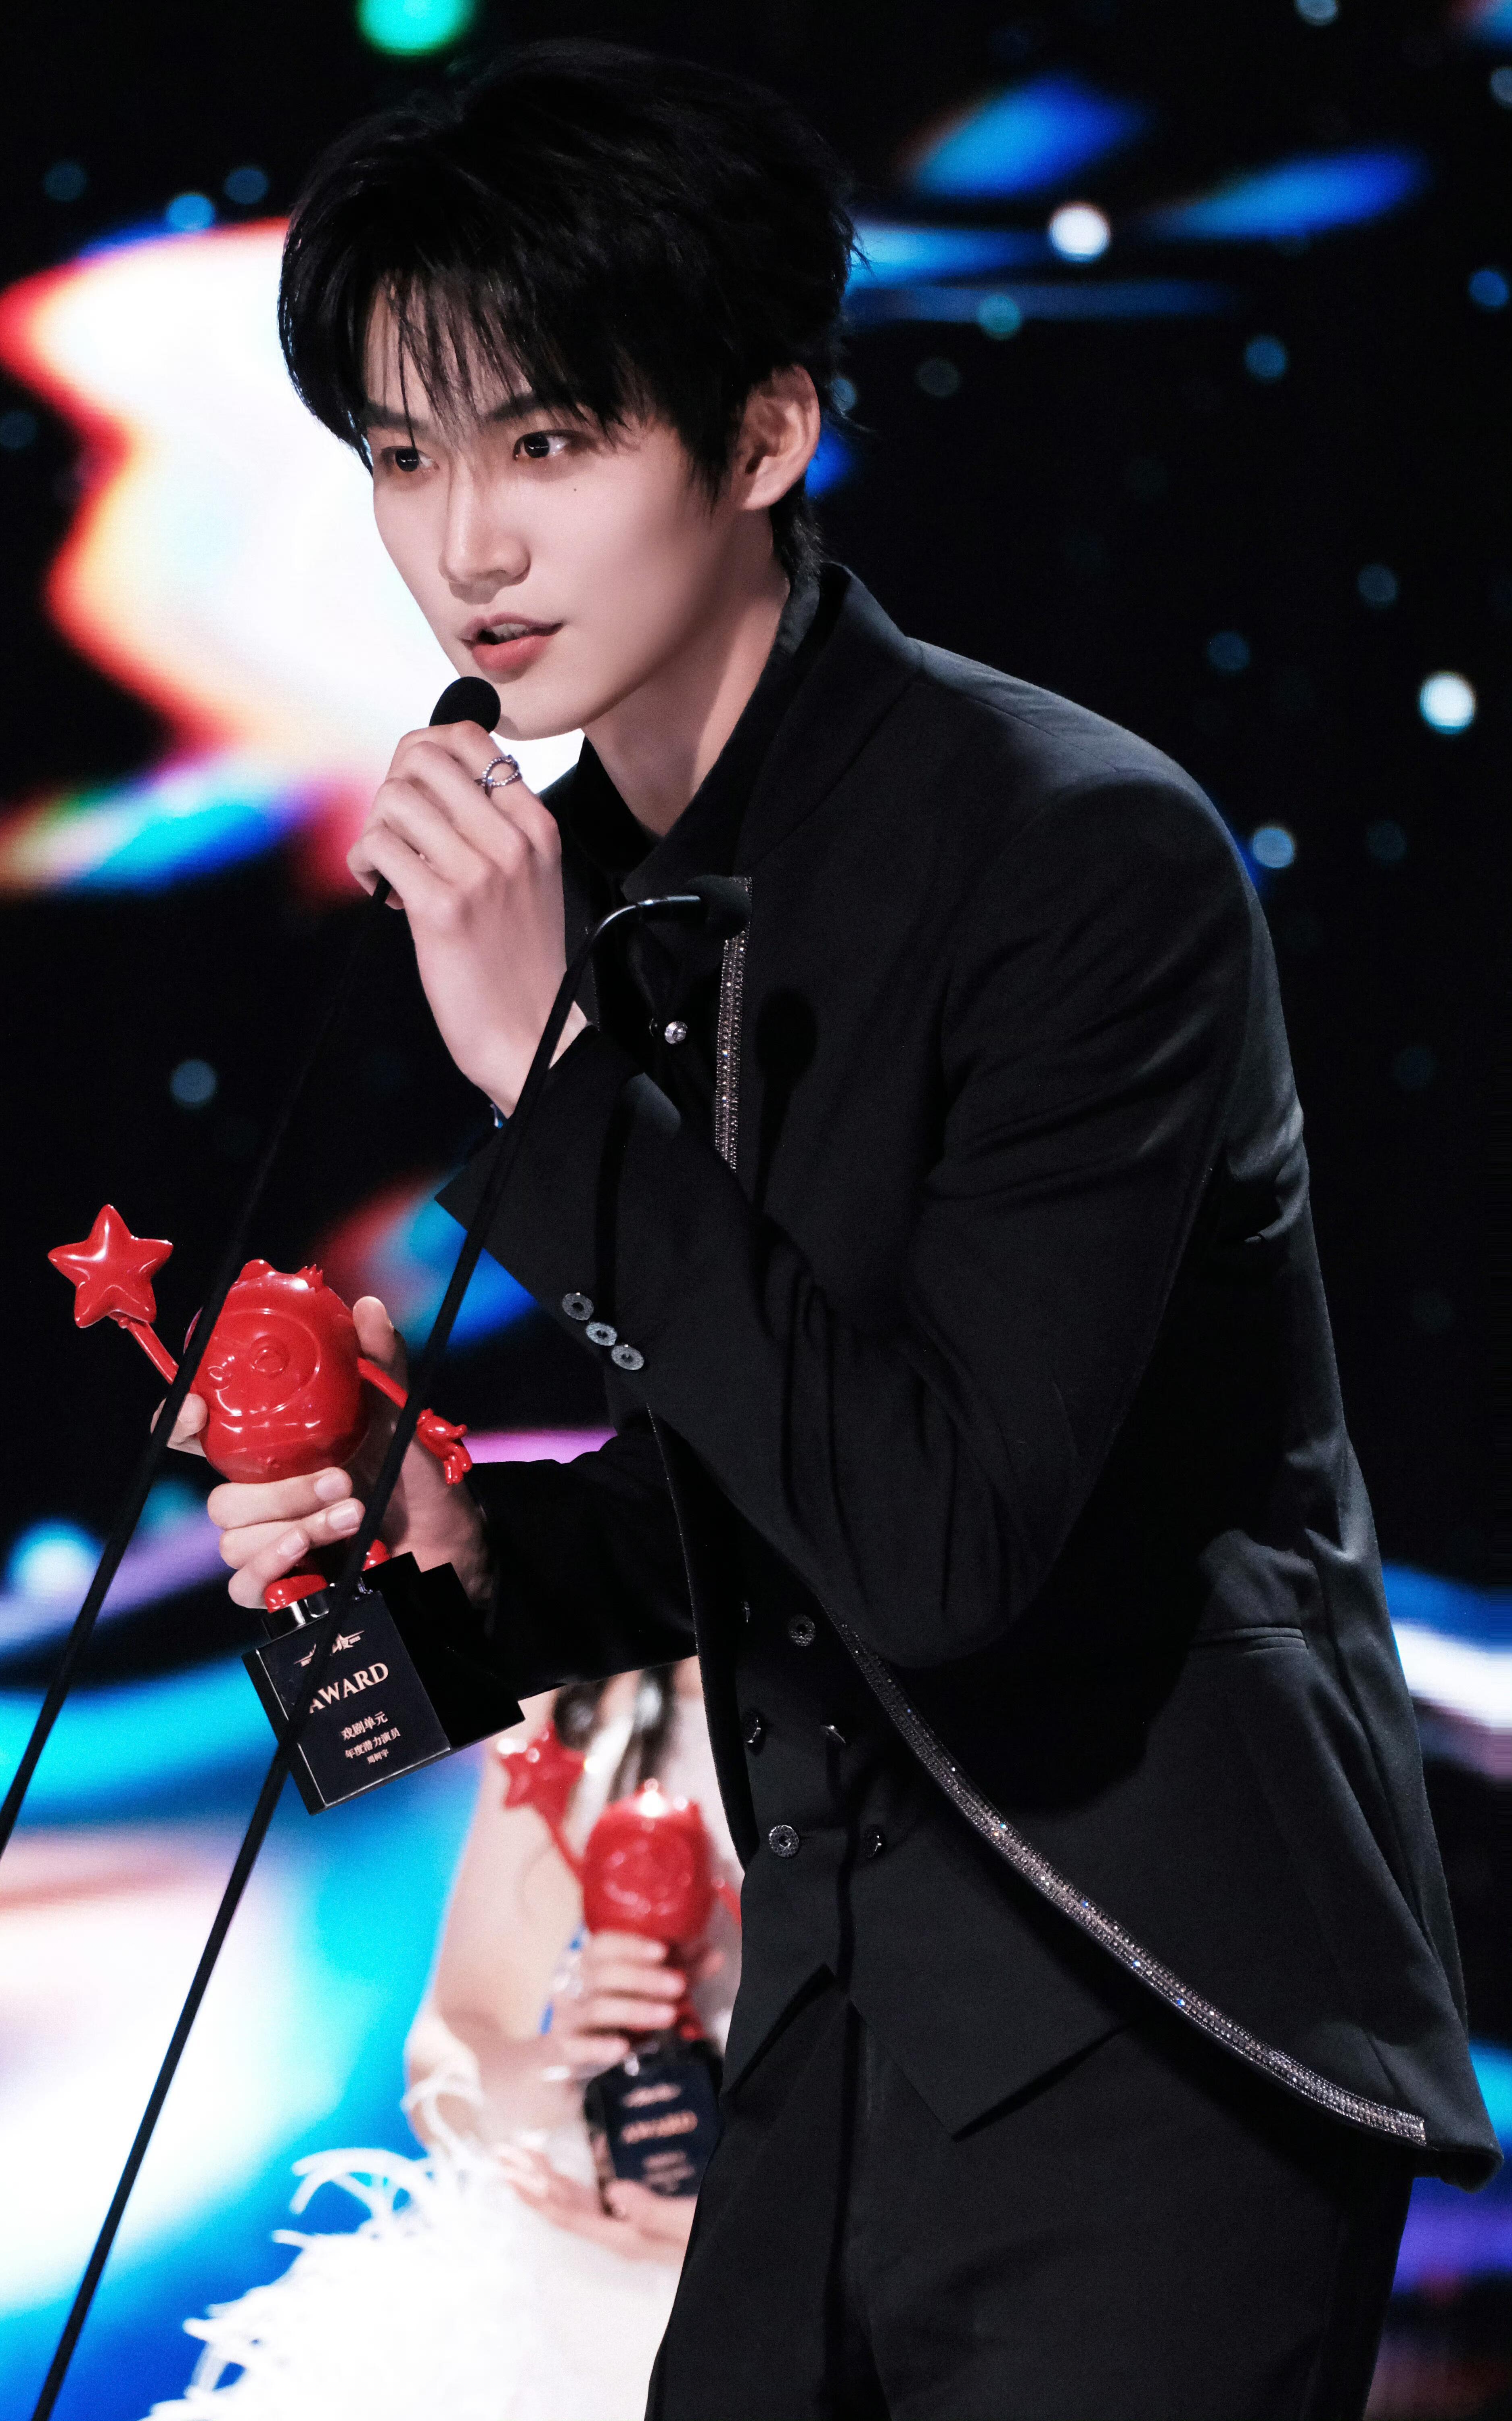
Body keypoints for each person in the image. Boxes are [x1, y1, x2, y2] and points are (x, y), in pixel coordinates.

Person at [175, 39, 1499, 2421]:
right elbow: (725, 1515)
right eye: (401, 454)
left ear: (768, 434)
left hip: (1152, 2029)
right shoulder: (629, 900)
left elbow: (941, 1538)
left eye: (545, 442)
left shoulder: (1077, 857)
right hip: (828, 2030)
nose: (466, 545)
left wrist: (548, 1083)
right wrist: (424, 1573)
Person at [154, 1668, 740, 2421]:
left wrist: (778, 2231)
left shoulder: (875, 1652)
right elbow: (449, 2046)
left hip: (845, 2256)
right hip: (604, 2258)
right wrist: (567, 2065)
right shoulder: (585, 1692)